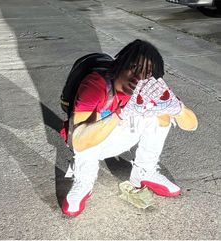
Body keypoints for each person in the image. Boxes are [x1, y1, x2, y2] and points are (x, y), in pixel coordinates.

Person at [61, 39, 198, 217]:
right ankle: (84, 180)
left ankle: (144, 172)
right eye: (133, 68)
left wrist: (177, 109)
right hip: (93, 141)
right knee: (91, 125)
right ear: (120, 64)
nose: (138, 78)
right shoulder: (95, 85)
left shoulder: (150, 88)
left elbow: (192, 125)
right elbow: (79, 141)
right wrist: (120, 114)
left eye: (146, 73)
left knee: (161, 112)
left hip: (123, 134)